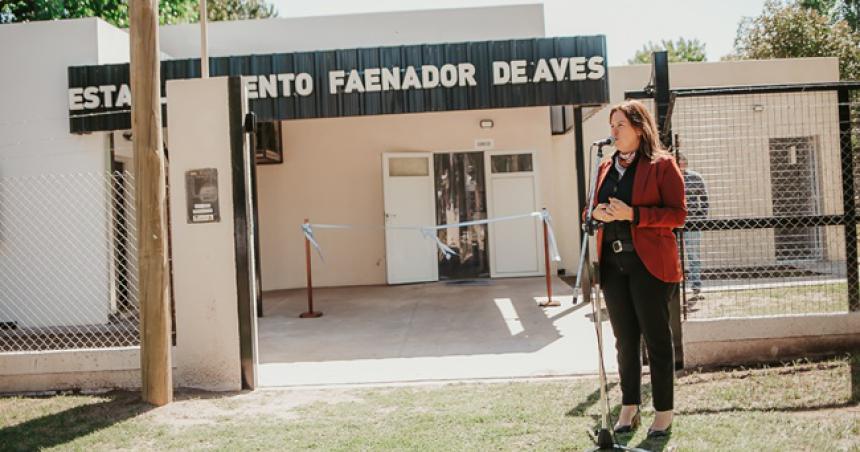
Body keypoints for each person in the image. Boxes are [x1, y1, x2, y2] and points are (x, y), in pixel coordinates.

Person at [589, 100, 686, 438]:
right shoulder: (603, 167)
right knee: (624, 340)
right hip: (614, 267)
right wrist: (595, 215)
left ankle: (664, 412)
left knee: (656, 341)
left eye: (620, 126)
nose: (613, 132)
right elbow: (589, 211)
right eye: (611, 125)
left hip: (650, 266)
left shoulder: (662, 165)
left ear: (639, 129)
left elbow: (678, 215)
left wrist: (633, 215)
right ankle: (629, 405)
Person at [677, 152, 709, 302]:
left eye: (683, 162)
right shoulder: (669, 178)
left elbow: (704, 199)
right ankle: (676, 287)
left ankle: (696, 288)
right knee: (675, 255)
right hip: (675, 223)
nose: (681, 165)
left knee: (693, 255)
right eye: (679, 163)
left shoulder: (695, 178)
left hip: (692, 223)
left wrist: (701, 219)